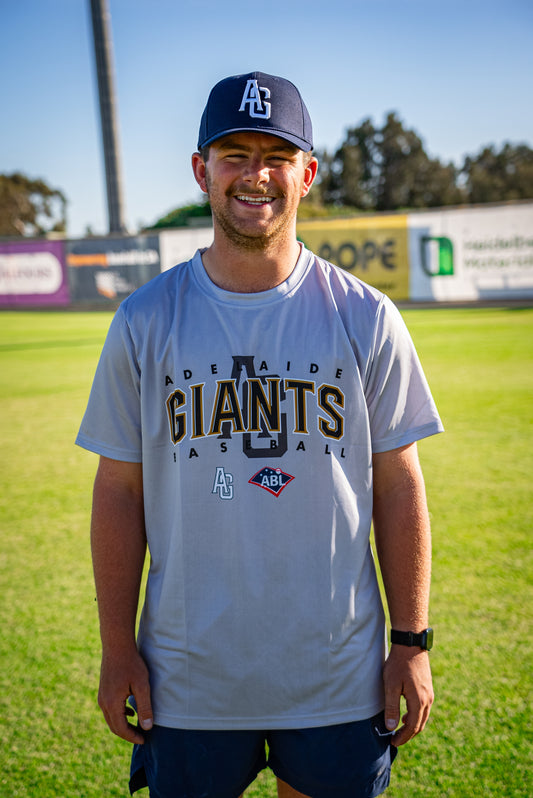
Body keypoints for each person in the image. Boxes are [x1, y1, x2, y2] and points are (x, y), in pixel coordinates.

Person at [77, 71, 443, 798]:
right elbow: (119, 490)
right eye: (234, 153)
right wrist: (118, 647)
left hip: (337, 673)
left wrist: (411, 643)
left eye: (275, 155)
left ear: (306, 173)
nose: (255, 174)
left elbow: (398, 482)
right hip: (187, 678)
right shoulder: (146, 321)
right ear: (200, 170)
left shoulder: (364, 316)